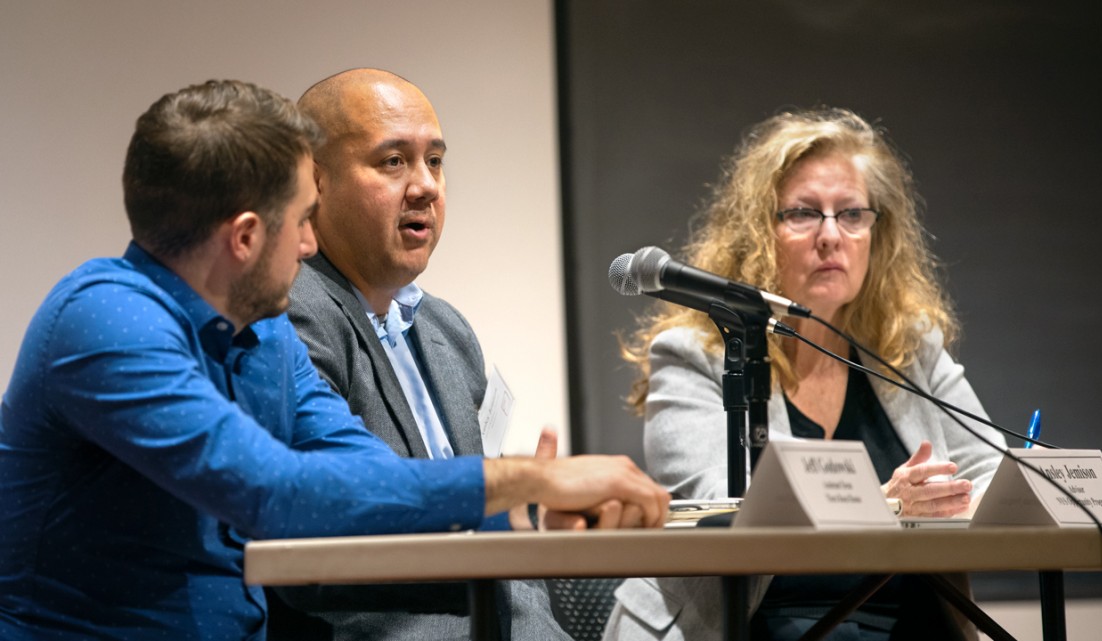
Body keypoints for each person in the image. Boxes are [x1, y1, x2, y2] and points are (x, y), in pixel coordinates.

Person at [0, 79, 669, 641]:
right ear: (244, 238)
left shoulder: (264, 334)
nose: (311, 244)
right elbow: (277, 494)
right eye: (303, 220)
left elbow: (366, 475)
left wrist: (517, 518)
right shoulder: (106, 323)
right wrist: (525, 479)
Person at [603, 108, 1005, 641]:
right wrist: (890, 505)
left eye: (852, 214)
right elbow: (724, 515)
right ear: (757, 233)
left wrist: (989, 490)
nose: (831, 236)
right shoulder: (693, 355)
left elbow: (994, 473)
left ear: (876, 235)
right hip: (751, 626)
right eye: (803, 213)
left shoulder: (910, 350)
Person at [265, 68, 570, 639]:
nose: (426, 186)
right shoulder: (292, 312)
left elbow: (504, 546)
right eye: (393, 162)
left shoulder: (447, 330)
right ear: (315, 182)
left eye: (435, 160)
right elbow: (339, 565)